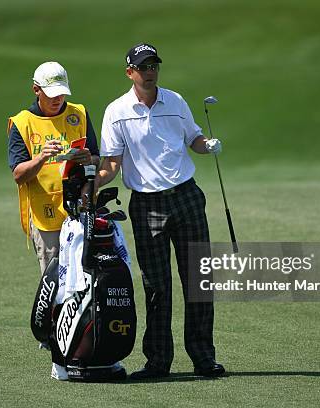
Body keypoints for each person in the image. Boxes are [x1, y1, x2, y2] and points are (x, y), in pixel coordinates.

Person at [95, 43, 225, 379]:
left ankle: (203, 358)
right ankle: (158, 362)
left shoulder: (176, 101)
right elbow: (111, 163)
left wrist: (206, 145)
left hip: (186, 197)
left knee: (198, 281)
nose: (150, 71)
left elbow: (193, 138)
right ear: (130, 72)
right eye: (143, 67)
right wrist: (94, 183)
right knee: (156, 286)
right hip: (146, 204)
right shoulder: (117, 111)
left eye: (154, 65)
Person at [7, 61, 100, 274]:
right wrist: (41, 158)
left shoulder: (79, 113)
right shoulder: (22, 123)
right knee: (54, 279)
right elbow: (19, 175)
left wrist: (89, 160)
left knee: (85, 275)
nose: (58, 99)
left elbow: (96, 159)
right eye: (51, 94)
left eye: (61, 93)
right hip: (45, 214)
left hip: (81, 207)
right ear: (36, 90)